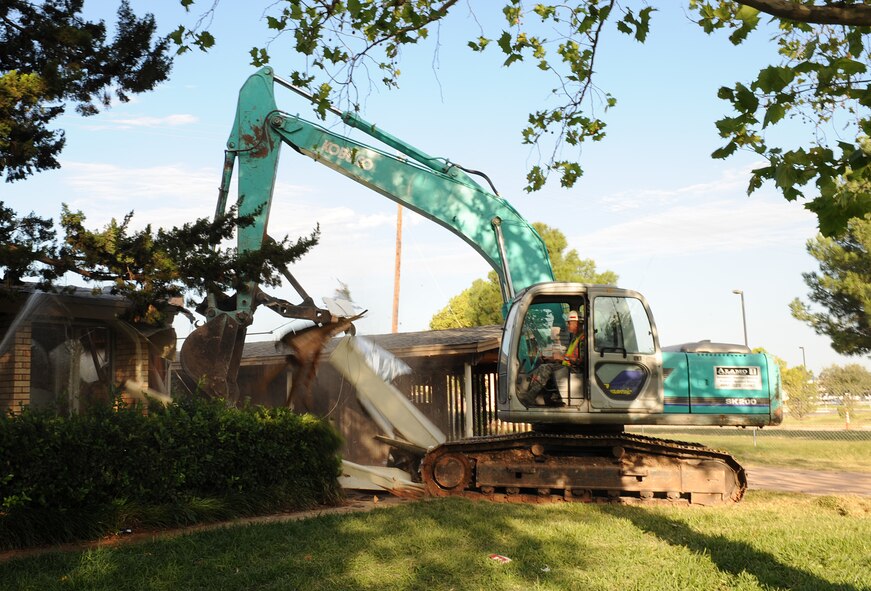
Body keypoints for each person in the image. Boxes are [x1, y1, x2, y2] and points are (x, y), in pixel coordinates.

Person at [519, 309, 584, 407]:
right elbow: (568, 357)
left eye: (569, 323)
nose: (567, 325)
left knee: (545, 368)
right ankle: (546, 397)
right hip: (568, 367)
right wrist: (551, 358)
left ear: (577, 323)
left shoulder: (583, 340)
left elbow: (579, 361)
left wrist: (561, 358)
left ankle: (531, 397)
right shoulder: (575, 338)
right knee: (542, 366)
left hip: (575, 370)